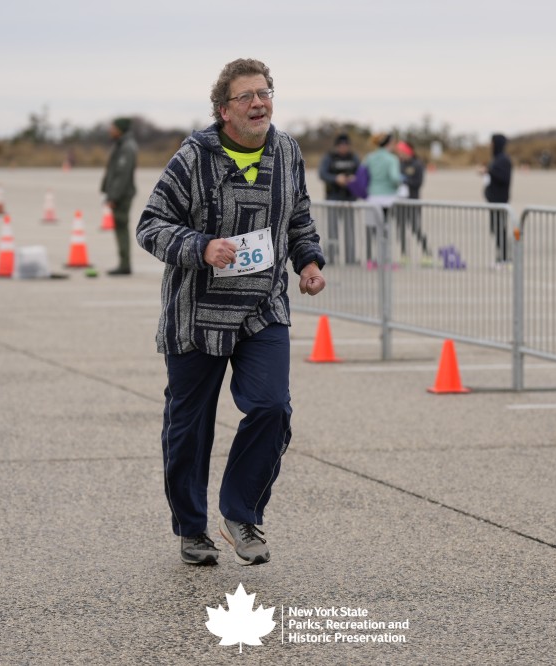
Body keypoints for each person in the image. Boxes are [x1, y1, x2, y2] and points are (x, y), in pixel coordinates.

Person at [136, 58, 326, 566]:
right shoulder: (194, 157)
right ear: (224, 110)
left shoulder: (287, 151)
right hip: (198, 315)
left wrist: (308, 262)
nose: (259, 103)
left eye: (265, 93)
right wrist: (200, 246)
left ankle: (240, 513)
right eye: (247, 96)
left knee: (272, 408)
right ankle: (191, 529)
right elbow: (150, 225)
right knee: (188, 428)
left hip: (263, 309)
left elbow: (298, 217)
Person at [101, 117, 138, 275]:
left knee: (121, 228)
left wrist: (113, 197)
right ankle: (124, 263)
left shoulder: (127, 147)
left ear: (120, 129)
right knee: (120, 228)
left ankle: (124, 265)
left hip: (122, 195)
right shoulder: (121, 144)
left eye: (113, 127)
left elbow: (122, 175)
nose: (111, 130)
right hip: (120, 194)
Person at [318, 134, 361, 263]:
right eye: (341, 145)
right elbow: (322, 173)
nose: (343, 148)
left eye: (346, 145)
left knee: (349, 231)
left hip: (349, 199)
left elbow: (361, 174)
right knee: (332, 230)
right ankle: (331, 258)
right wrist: (336, 179)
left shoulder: (353, 157)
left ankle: (350, 259)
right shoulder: (329, 157)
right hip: (333, 198)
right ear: (337, 146)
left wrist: (353, 179)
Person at [362, 132, 402, 268]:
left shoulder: (369, 157)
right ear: (389, 143)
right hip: (387, 199)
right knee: (385, 231)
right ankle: (386, 260)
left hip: (372, 197)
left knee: (373, 231)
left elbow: (363, 174)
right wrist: (401, 183)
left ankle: (371, 260)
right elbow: (394, 177)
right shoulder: (392, 159)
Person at [396, 140, 430, 261]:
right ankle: (404, 254)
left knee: (416, 229)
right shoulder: (398, 164)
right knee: (401, 230)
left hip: (413, 202)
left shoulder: (417, 164)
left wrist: (405, 180)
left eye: (402, 151)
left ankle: (427, 252)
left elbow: (418, 183)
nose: (400, 154)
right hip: (400, 203)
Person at [483, 133, 512, 265]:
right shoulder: (495, 159)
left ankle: (505, 257)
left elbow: (504, 178)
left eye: (492, 142)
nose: (491, 145)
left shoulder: (504, 160)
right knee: (495, 229)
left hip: (500, 200)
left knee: (501, 229)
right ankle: (501, 256)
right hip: (493, 200)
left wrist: (489, 171)